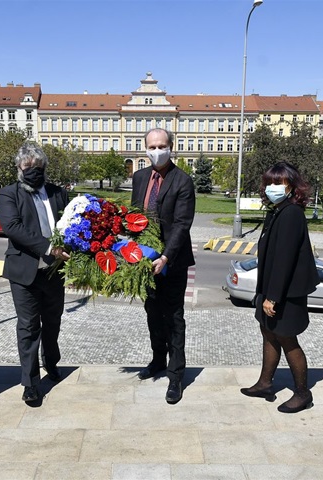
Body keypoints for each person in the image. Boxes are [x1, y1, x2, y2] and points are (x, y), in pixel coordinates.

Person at [240, 162, 320, 414]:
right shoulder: (277, 211)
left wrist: (272, 298)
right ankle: (265, 383)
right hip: (271, 289)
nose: (273, 187)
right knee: (268, 333)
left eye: (279, 182)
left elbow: (284, 259)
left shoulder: (291, 214)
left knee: (288, 340)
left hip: (286, 293)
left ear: (292, 186)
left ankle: (302, 393)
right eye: (270, 182)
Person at [0, 142, 70, 404]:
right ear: (19, 167)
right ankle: (30, 383)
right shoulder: (9, 194)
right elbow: (12, 227)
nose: (33, 171)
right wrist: (49, 247)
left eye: (38, 166)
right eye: (27, 166)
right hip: (24, 272)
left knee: (53, 322)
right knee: (28, 327)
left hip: (54, 272)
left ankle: (51, 362)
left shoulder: (57, 193)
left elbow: (70, 224)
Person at [131, 128, 195, 404]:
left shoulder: (182, 180)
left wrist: (165, 257)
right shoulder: (139, 177)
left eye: (162, 145)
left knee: (174, 318)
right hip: (145, 260)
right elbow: (134, 217)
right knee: (152, 314)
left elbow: (182, 224)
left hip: (173, 262)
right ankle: (157, 360)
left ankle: (176, 375)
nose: (157, 150)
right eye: (152, 146)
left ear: (171, 147)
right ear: (145, 148)